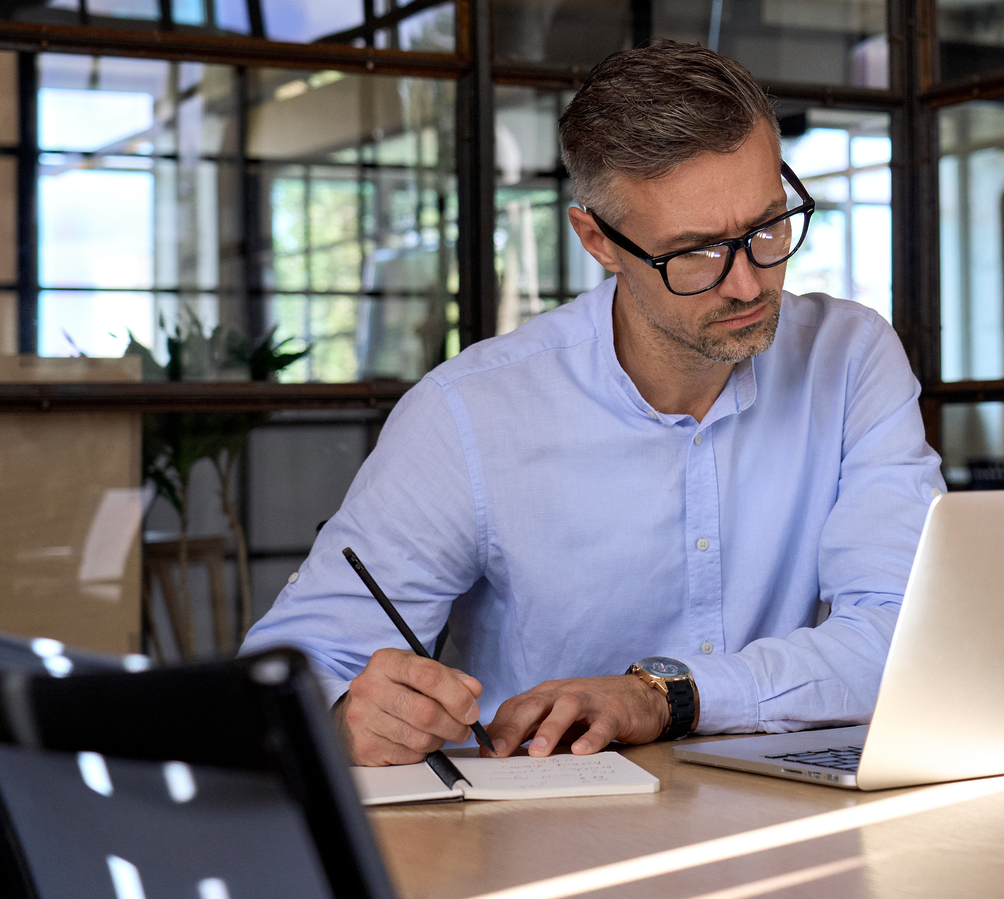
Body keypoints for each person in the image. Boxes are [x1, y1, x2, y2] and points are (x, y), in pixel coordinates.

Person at [241, 41, 944, 766]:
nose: (747, 283)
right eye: (697, 252)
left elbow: (907, 634)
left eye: (767, 227)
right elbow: (285, 672)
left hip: (793, 823)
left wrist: (665, 695)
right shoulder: (471, 415)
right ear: (598, 241)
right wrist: (341, 713)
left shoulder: (850, 355)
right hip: (545, 834)